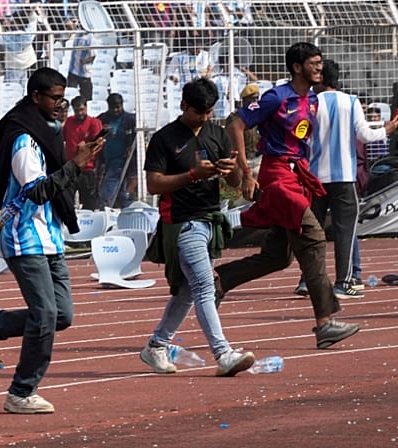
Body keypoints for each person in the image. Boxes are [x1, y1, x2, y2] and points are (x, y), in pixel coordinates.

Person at [0, 67, 101, 414]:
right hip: (23, 237)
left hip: (50, 236)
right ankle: (21, 392)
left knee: (62, 316)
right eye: (55, 99)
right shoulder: (24, 141)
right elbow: (40, 191)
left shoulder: (48, 132)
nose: (62, 105)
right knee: (44, 315)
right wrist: (76, 164)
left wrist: (77, 160)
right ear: (36, 97)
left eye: (64, 99)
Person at [217, 42, 360, 349]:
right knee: (313, 235)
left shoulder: (313, 100)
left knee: (278, 256)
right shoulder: (276, 97)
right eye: (314, 63)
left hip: (298, 175)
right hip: (277, 175)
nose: (320, 67)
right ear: (297, 67)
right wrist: (246, 172)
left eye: (321, 63)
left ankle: (218, 281)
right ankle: (325, 322)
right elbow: (237, 124)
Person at [139, 78, 256, 377]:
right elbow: (153, 184)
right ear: (183, 106)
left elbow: (232, 184)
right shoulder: (164, 138)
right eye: (198, 112)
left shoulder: (217, 134)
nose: (204, 118)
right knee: (205, 285)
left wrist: (232, 173)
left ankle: (156, 344)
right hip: (180, 223)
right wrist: (191, 175)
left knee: (188, 291)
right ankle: (223, 353)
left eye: (209, 112)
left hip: (210, 220)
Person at [307, 59, 397, 299]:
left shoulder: (311, 103)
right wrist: (386, 130)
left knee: (312, 231)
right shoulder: (351, 101)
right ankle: (344, 281)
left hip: (315, 177)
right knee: (344, 231)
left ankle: (308, 279)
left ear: (320, 78)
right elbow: (365, 135)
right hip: (344, 177)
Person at [97, 93, 136, 208]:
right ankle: (124, 210)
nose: (115, 110)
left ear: (122, 105)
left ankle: (103, 208)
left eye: (118, 107)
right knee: (121, 192)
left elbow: (137, 138)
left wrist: (131, 149)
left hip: (122, 161)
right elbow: (96, 135)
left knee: (109, 189)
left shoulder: (130, 120)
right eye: (112, 107)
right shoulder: (102, 119)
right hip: (107, 160)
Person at [63, 97, 104, 209]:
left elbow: (98, 144)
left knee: (89, 202)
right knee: (66, 201)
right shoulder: (69, 122)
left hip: (87, 169)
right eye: (77, 110)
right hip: (71, 168)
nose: (80, 113)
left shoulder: (94, 123)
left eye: (82, 109)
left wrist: (86, 146)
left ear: (86, 107)